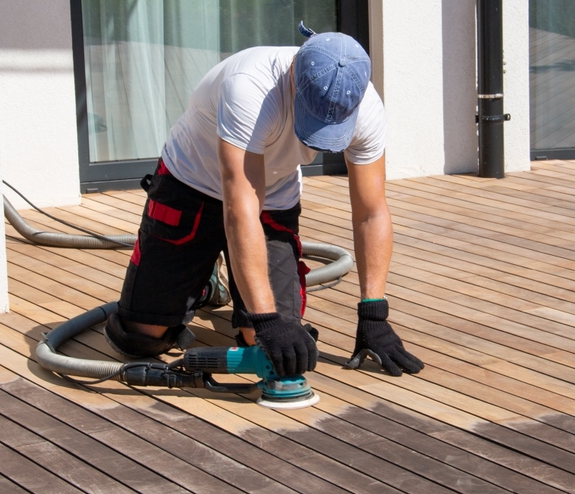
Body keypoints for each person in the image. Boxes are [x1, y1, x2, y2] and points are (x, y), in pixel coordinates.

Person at [105, 23, 423, 378]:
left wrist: (373, 314)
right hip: (190, 182)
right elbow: (240, 212)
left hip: (272, 196)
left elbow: (371, 212)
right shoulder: (250, 87)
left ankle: (211, 279)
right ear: (292, 78)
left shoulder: (366, 108)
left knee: (272, 347)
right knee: (139, 338)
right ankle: (203, 279)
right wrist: (268, 319)